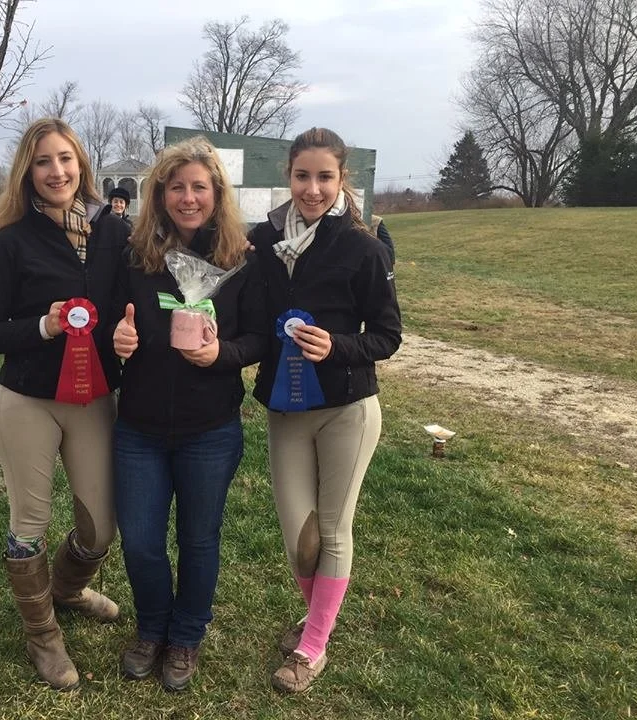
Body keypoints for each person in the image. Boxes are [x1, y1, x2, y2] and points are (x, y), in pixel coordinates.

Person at [0, 117, 131, 691]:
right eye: (43, 162)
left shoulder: (113, 231)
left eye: (65, 159)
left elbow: (132, 304)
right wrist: (43, 324)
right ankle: (42, 634)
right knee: (29, 523)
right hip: (27, 401)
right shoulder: (13, 241)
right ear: (28, 173)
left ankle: (64, 590)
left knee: (100, 528)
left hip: (94, 398)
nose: (57, 171)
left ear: (81, 164)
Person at [111, 137, 269, 692]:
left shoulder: (240, 259)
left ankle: (185, 637)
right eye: (176, 187)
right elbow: (114, 323)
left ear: (216, 192)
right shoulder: (136, 259)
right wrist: (120, 337)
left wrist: (220, 355)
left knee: (199, 539)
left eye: (198, 186)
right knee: (141, 539)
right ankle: (151, 627)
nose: (187, 197)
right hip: (139, 429)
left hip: (210, 428)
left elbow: (257, 338)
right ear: (159, 193)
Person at [249, 127, 402, 693]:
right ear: (287, 176)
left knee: (333, 531)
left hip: (347, 408)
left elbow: (388, 336)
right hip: (284, 408)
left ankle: (312, 646)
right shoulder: (262, 241)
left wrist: (336, 346)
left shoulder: (363, 246)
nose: (313, 189)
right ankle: (320, 617)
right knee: (299, 539)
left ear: (342, 181)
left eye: (325, 177)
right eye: (302, 176)